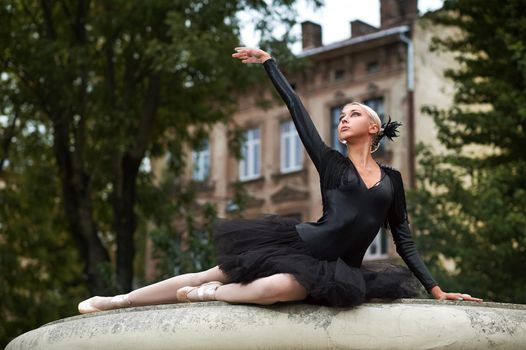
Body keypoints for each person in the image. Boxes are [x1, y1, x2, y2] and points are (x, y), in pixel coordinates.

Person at [78, 47, 482, 314]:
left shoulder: (392, 181)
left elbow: (404, 238)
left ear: (374, 126)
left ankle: (210, 297)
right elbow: (297, 109)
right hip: (300, 242)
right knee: (211, 271)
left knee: (280, 290)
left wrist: (436, 289)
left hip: (341, 268)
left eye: (354, 113)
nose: (343, 118)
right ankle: (117, 300)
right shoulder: (330, 163)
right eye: (340, 115)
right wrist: (270, 63)